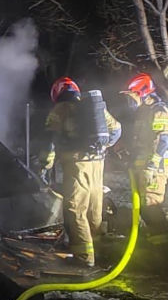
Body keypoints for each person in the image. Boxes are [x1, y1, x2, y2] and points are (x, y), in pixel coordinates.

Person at [41, 77, 122, 268]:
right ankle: (100, 251)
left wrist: (45, 164)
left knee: (75, 209)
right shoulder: (95, 108)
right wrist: (101, 148)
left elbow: (50, 140)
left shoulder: (59, 110)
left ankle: (84, 259)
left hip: (77, 165)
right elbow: (117, 130)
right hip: (97, 164)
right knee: (95, 207)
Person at [120, 72, 168, 243]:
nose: (129, 101)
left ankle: (163, 247)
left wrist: (152, 165)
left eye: (132, 96)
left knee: (151, 203)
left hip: (155, 165)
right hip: (142, 163)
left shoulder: (160, 111)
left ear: (142, 93)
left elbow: (163, 140)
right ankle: (156, 240)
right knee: (142, 204)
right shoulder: (143, 112)